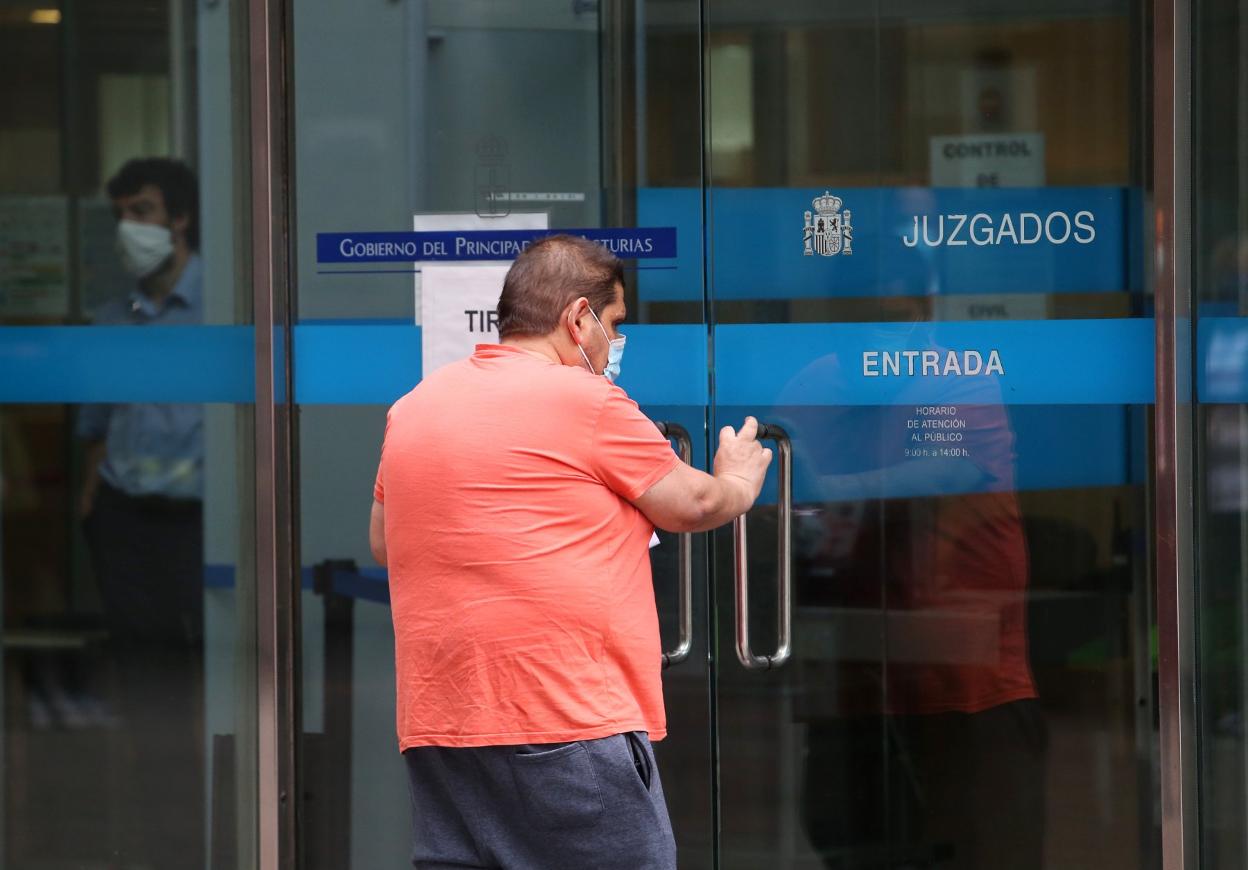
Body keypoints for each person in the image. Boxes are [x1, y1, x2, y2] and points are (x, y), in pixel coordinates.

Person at [369, 234, 772, 870]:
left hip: (443, 729)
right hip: (565, 719)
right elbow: (690, 503)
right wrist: (742, 481)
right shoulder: (586, 401)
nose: (614, 343)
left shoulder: (415, 408)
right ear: (577, 319)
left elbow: (384, 541)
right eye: (613, 324)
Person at [77, 157, 205, 868]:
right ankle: (168, 830)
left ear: (179, 218)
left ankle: (235, 812)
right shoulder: (112, 315)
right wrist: (92, 508)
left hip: (206, 523)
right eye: (123, 213)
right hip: (128, 523)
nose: (133, 227)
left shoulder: (231, 297)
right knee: (148, 681)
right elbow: (96, 429)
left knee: (216, 670)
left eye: (145, 211)